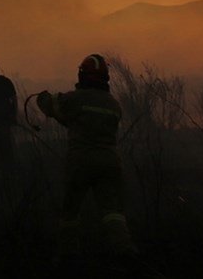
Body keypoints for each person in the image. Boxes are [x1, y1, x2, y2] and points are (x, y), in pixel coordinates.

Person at [36, 54, 136, 261]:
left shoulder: (75, 99)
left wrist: (42, 97)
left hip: (80, 161)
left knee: (70, 210)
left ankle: (69, 255)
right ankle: (125, 250)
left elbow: (51, 106)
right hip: (109, 162)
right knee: (112, 211)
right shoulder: (114, 104)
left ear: (82, 75)